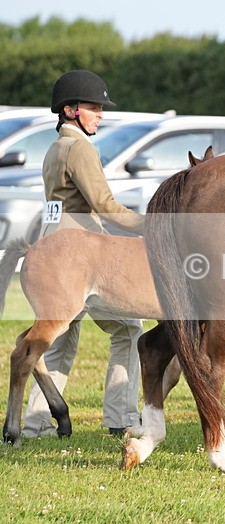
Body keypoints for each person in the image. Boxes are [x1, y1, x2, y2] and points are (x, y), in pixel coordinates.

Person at [22, 70, 146, 438]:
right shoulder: (79, 147)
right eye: (94, 107)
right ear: (71, 109)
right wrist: (149, 224)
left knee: (57, 341)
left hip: (54, 244)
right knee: (128, 329)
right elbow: (104, 205)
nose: (100, 114)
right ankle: (121, 416)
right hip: (82, 254)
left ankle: (35, 423)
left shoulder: (55, 148)